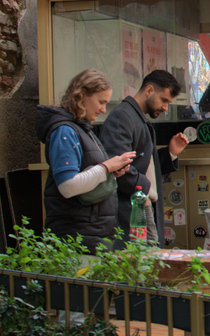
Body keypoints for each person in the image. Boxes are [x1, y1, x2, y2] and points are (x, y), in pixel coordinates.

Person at [36, 69, 136, 253]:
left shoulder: (81, 129)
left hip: (90, 237)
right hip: (76, 238)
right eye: (101, 102)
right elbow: (68, 187)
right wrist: (106, 167)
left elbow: (87, 175)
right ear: (82, 95)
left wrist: (111, 171)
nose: (103, 110)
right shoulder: (65, 131)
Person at [100, 70, 189, 248]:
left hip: (139, 208)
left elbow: (144, 165)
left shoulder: (134, 117)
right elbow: (118, 166)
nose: (165, 108)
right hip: (132, 211)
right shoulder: (122, 117)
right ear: (149, 90)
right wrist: (145, 190)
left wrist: (170, 153)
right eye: (163, 100)